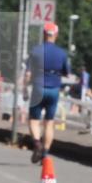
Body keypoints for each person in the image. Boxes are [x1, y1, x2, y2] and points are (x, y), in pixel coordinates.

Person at [26, 22, 71, 164]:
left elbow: (27, 73)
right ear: (56, 35)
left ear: (44, 34)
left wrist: (24, 87)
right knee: (49, 123)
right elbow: (67, 73)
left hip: (39, 87)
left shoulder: (35, 51)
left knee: (34, 120)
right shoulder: (62, 53)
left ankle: (37, 143)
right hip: (54, 89)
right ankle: (45, 153)